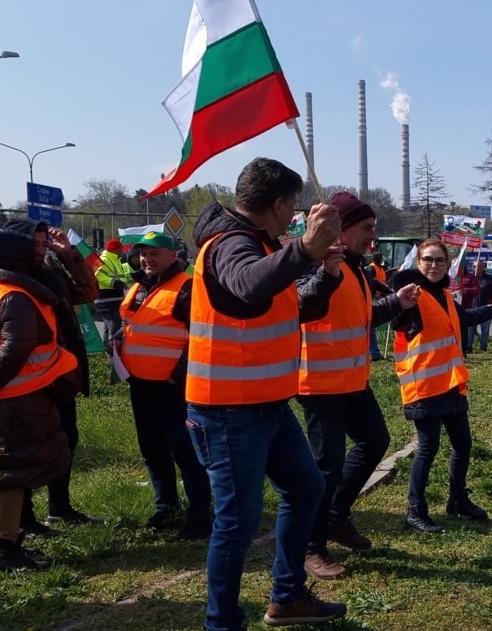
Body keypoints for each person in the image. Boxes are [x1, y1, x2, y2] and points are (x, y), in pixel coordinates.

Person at [186, 158, 346, 629]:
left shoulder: (260, 245)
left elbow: (285, 309)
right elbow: (250, 286)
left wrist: (324, 276)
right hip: (229, 411)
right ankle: (223, 623)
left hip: (265, 405)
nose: (295, 214)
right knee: (237, 523)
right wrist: (304, 248)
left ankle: (287, 596)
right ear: (277, 204)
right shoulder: (231, 244)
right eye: (293, 206)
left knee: (305, 486)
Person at [296, 191, 409, 579]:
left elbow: (359, 319)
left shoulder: (357, 268)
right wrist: (324, 272)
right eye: (366, 228)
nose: (372, 235)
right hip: (319, 381)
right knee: (325, 467)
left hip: (351, 381)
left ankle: (335, 517)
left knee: (375, 441)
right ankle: (311, 547)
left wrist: (397, 303)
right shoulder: (314, 264)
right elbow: (301, 306)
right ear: (341, 230)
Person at [391, 239, 492, 530]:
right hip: (424, 386)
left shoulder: (442, 295)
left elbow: (464, 317)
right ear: (418, 263)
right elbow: (399, 321)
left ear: (448, 265)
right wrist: (401, 303)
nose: (433, 265)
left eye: (439, 261)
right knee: (428, 448)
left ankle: (457, 499)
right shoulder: (413, 296)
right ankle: (415, 510)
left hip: (451, 383)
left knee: (463, 445)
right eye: (428, 260)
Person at [2, 218, 100, 535]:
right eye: (37, 243)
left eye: (45, 243)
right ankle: (22, 522)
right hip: (27, 382)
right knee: (23, 454)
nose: (42, 248)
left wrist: (69, 255)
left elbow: (87, 291)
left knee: (63, 440)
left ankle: (60, 508)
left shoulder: (49, 271)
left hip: (56, 376)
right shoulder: (14, 282)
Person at [116, 231, 212, 541]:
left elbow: (203, 335)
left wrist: (180, 372)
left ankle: (200, 517)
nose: (147, 258)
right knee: (153, 449)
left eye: (155, 252)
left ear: (174, 255)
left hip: (173, 388)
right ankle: (166, 507)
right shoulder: (139, 288)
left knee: (185, 451)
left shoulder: (186, 288)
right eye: (143, 253)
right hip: (141, 384)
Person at [0, 229, 74, 571]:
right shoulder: (15, 295)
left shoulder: (9, 294)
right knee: (9, 476)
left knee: (8, 473)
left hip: (16, 401)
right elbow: (15, 350)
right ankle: (5, 549)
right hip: (17, 400)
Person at [94, 238, 130, 345]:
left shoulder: (115, 260)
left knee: (109, 329)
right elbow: (98, 275)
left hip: (114, 300)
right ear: (115, 249)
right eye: (120, 249)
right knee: (114, 328)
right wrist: (117, 283)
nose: (122, 251)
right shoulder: (104, 259)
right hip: (107, 300)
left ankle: (107, 352)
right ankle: (112, 352)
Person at [465, 258, 492, 355]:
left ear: (483, 267)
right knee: (471, 329)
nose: (476, 268)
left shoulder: (490, 279)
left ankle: (483, 348)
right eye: (474, 266)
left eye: (479, 266)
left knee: (485, 330)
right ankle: (469, 347)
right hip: (472, 308)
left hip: (486, 306)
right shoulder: (470, 278)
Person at [366, 252, 388, 361]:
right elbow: (371, 284)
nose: (380, 259)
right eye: (378, 257)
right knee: (371, 328)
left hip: (379, 295)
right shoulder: (371, 269)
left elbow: (381, 283)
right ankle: (374, 354)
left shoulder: (381, 268)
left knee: (371, 329)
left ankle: (374, 353)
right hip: (372, 297)